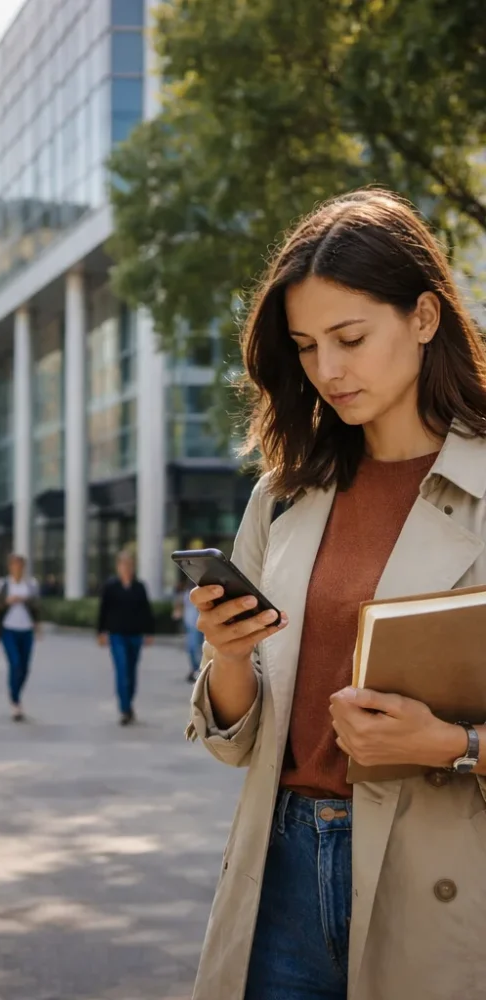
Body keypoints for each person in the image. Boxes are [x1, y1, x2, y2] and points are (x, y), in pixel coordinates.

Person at [186, 189, 486, 1000]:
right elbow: (236, 741)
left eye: (350, 338)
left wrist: (450, 744)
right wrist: (229, 655)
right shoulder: (282, 496)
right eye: (307, 346)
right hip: (278, 874)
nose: (327, 371)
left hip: (441, 881)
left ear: (424, 317)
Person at [97, 551, 155, 725]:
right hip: (117, 635)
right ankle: (124, 709)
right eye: (123, 564)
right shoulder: (111, 586)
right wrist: (100, 632)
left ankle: (129, 703)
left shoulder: (139, 587)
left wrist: (149, 632)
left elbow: (146, 610)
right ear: (118, 567)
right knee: (122, 670)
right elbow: (103, 609)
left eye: (129, 565)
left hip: (135, 635)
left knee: (131, 672)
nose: (126, 568)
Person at [0, 555, 40, 721]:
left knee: (25, 667)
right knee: (15, 663)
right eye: (15, 565)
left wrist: (26, 600)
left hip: (26, 629)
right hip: (9, 628)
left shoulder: (31, 584)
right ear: (10, 567)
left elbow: (37, 606)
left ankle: (17, 692)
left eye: (20, 566)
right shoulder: (3, 584)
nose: (18, 569)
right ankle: (15, 700)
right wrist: (7, 601)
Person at [173, 577, 203, 683]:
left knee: (195, 648)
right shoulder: (186, 592)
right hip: (189, 624)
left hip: (197, 625)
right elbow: (180, 604)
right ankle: (194, 669)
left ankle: (199, 670)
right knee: (190, 649)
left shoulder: (200, 591)